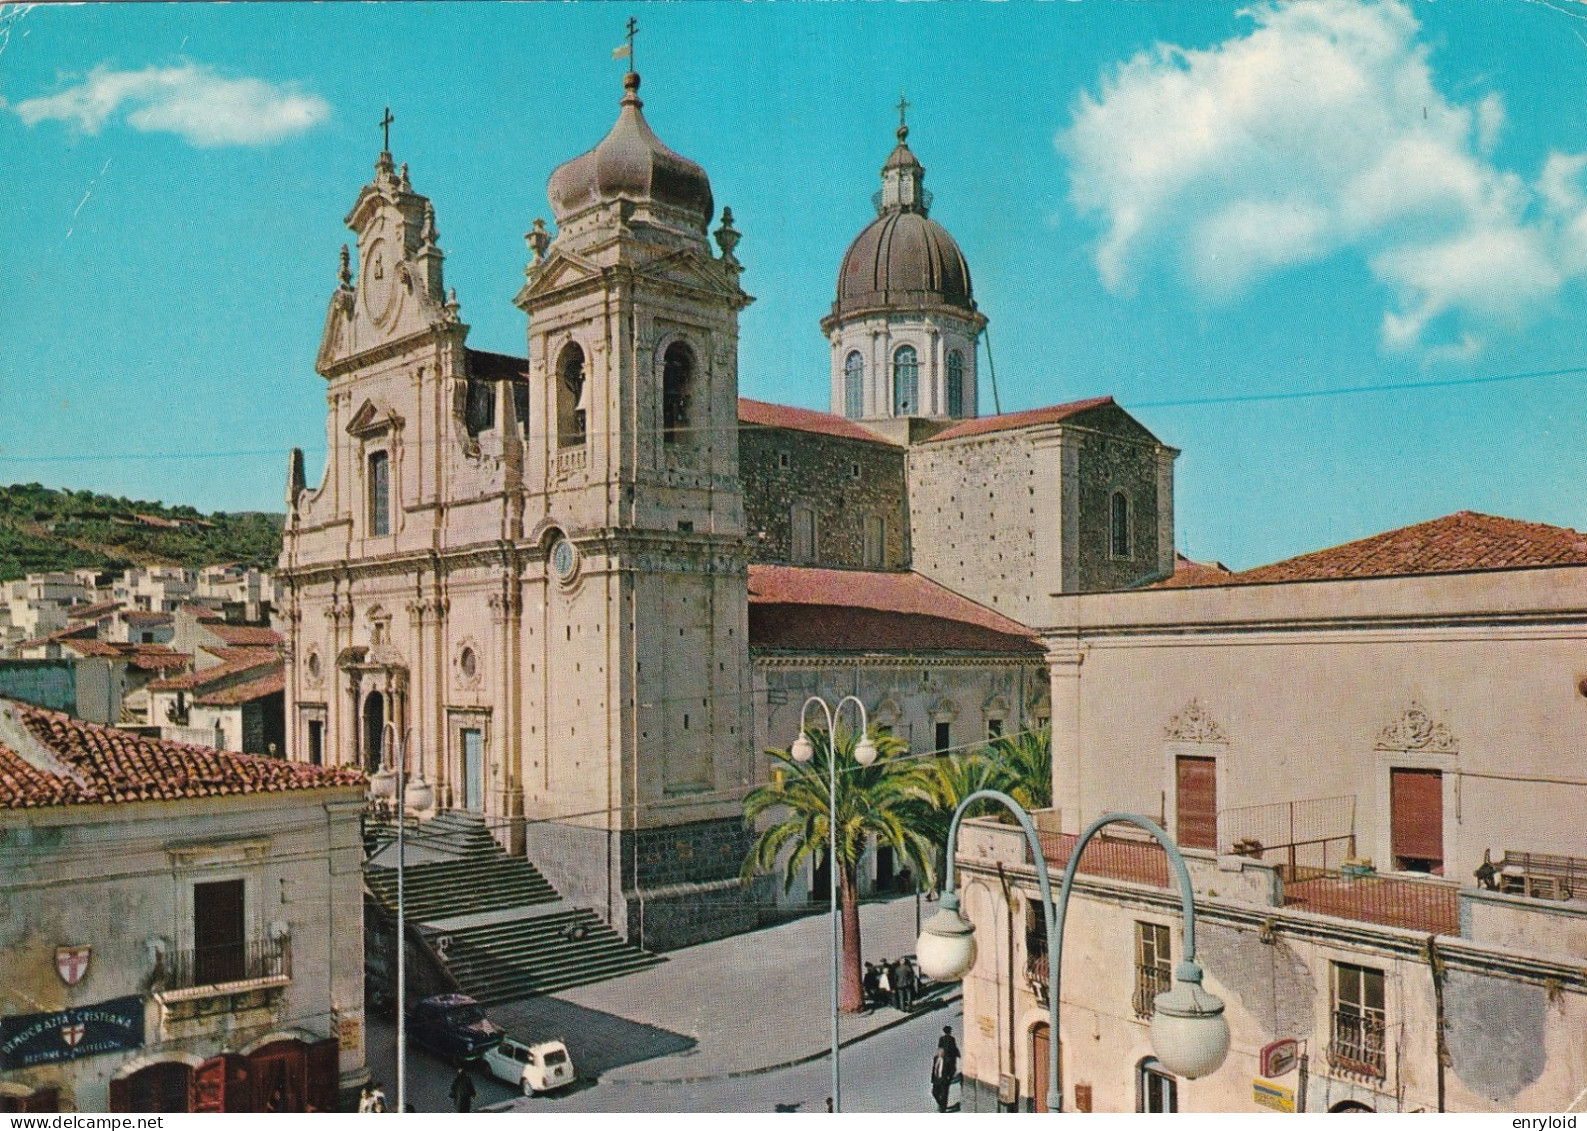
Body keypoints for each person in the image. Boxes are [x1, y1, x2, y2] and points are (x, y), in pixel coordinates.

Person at [932, 1027, 960, 1113]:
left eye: (941, 1051)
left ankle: (943, 1109)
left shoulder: (948, 1061)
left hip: (944, 1078)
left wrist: (949, 1076)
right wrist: (933, 1079)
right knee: (934, 1092)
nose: (939, 1052)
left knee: (944, 1094)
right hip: (937, 1079)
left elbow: (952, 1067)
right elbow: (934, 1069)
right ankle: (941, 1104)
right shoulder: (936, 1058)